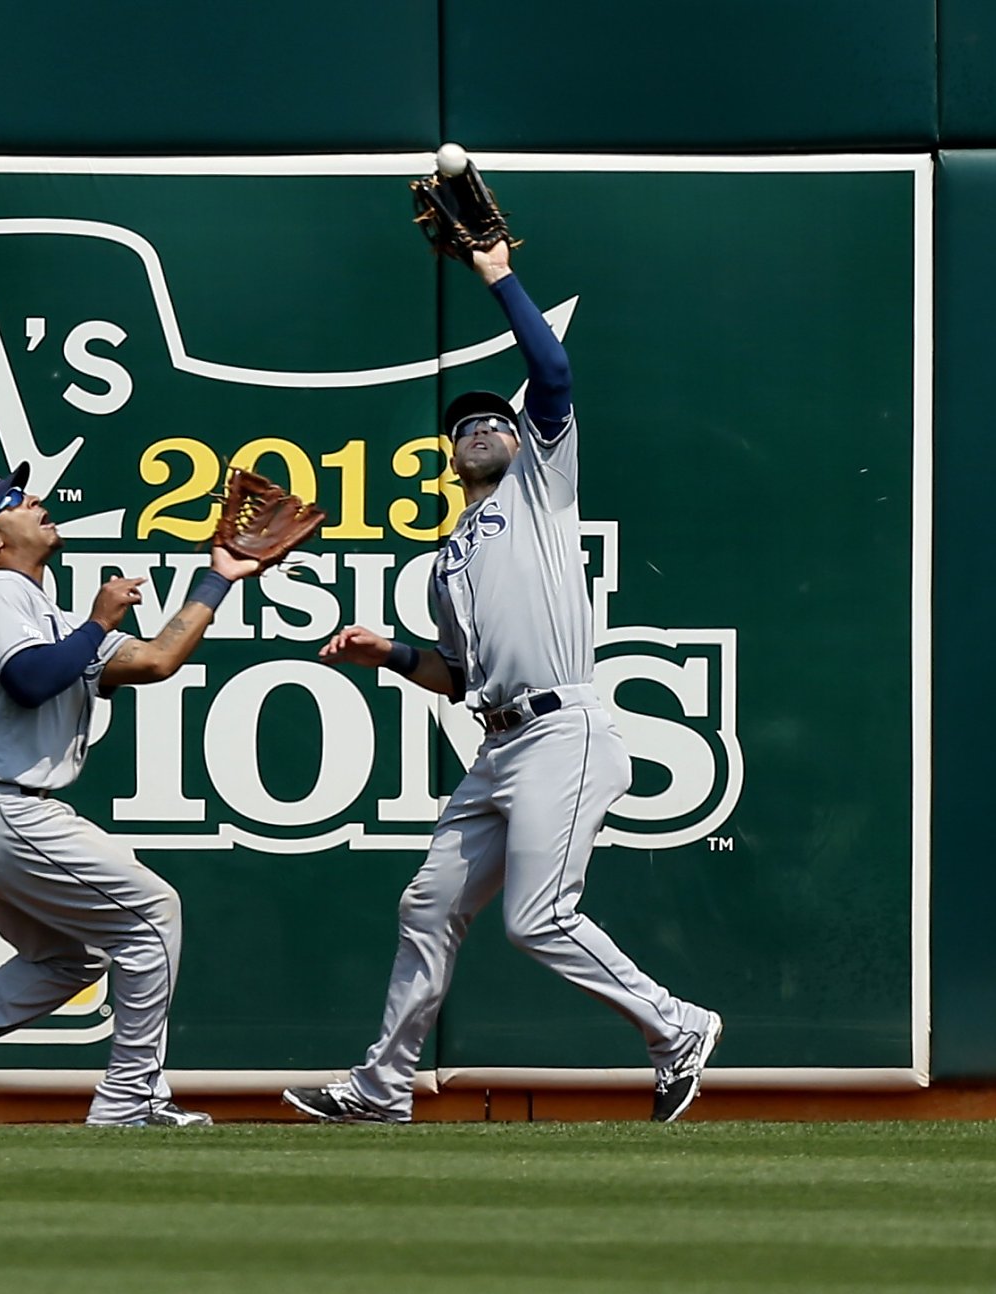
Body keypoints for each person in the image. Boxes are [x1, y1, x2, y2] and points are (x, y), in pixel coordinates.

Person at [283, 238, 722, 1125]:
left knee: (537, 918)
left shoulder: (540, 488)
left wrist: (496, 275)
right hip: (498, 743)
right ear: (450, 458)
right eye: (463, 426)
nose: (480, 427)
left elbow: (552, 369)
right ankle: (382, 1088)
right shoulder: (446, 561)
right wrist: (392, 657)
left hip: (567, 730)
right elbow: (456, 678)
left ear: (523, 441)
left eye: (495, 420)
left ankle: (676, 1027)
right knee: (428, 903)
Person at [0, 463, 264, 1127]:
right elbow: (30, 679)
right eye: (13, 499)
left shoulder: (43, 610)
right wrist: (94, 623)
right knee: (152, 916)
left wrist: (219, 578)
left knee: (69, 957)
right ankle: (130, 1100)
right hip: (1, 805)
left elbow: (154, 661)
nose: (35, 500)